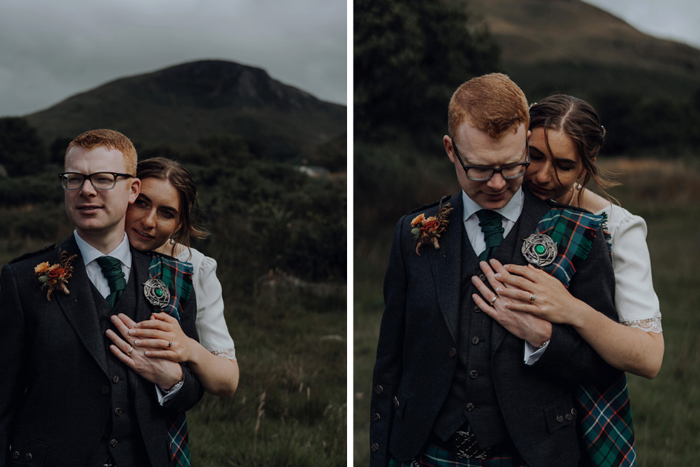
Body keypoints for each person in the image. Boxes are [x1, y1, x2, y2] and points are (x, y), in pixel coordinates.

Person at [370, 74, 624, 467]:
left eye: (511, 166)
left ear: (526, 145)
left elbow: (604, 366)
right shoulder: (411, 234)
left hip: (533, 456)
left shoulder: (581, 234)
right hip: (426, 453)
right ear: (451, 150)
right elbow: (391, 363)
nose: (496, 183)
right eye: (479, 169)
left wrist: (545, 339)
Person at [0, 129, 204, 466]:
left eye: (103, 179)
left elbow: (192, 388)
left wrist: (174, 381)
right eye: (74, 178)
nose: (87, 190)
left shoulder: (173, 277)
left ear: (132, 189)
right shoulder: (21, 280)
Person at [474, 94, 663, 379]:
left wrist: (571, 309)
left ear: (586, 166)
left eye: (563, 166)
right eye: (534, 156)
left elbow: (649, 358)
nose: (542, 176)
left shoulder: (618, 226)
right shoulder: (497, 192)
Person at [108, 157, 239, 397]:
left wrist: (188, 348)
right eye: (141, 203)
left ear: (178, 225)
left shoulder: (195, 267)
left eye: (166, 213)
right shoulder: (94, 243)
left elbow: (227, 382)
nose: (148, 222)